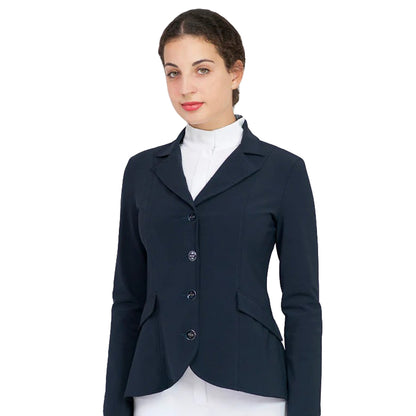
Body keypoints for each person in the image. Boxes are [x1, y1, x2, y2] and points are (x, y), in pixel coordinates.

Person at [103, 8, 322, 416]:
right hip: (158, 390)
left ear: (236, 72)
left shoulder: (283, 171)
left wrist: (305, 409)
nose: (186, 88)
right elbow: (127, 298)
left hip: (253, 390)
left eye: (202, 70)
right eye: (173, 73)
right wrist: (115, 406)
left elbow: (302, 304)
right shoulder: (142, 171)